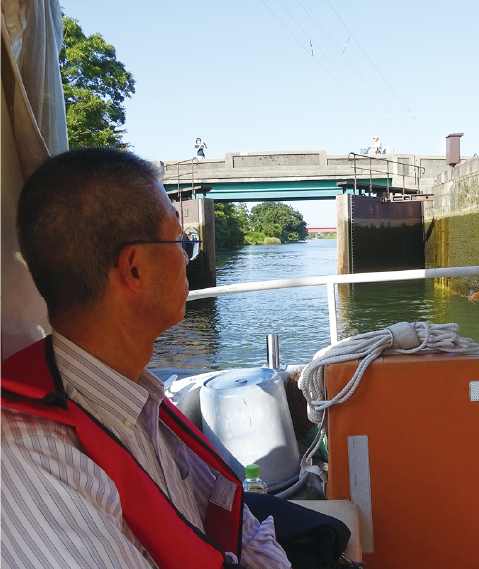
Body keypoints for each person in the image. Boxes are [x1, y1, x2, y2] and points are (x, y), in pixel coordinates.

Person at [0, 148, 291, 569]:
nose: (186, 254)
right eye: (180, 240)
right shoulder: (31, 465)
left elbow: (239, 526)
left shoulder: (139, 396)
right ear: (134, 269)